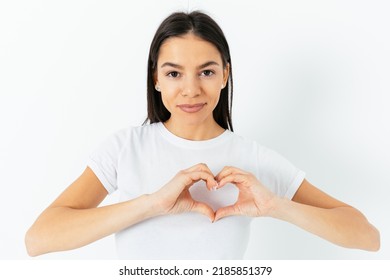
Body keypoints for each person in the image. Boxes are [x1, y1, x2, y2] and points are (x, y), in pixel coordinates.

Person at [25, 11, 380, 259]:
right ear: (156, 79)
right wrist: (151, 203)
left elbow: (368, 237)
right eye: (175, 74)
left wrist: (276, 207)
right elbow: (39, 238)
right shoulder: (125, 148)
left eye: (206, 72)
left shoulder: (253, 159)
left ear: (225, 74)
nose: (191, 90)